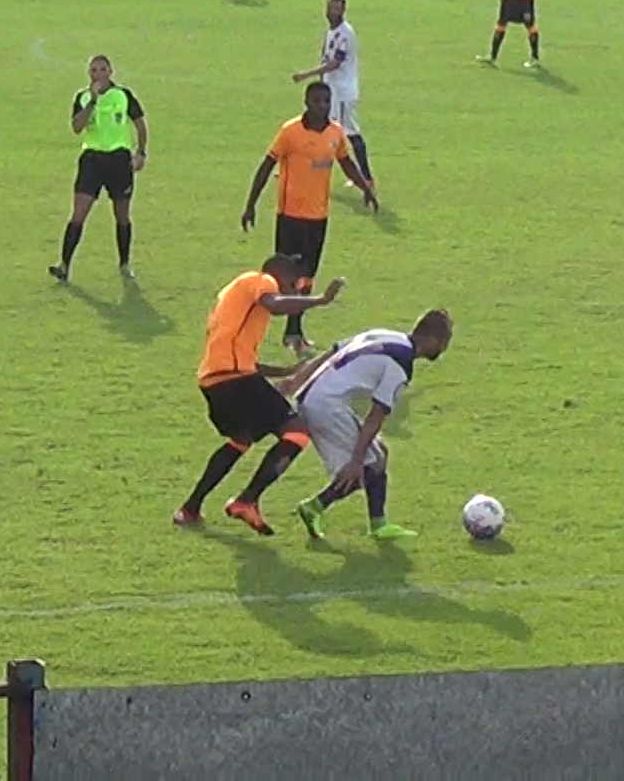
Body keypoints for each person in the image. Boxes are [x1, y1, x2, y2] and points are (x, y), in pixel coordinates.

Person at [175, 255, 347, 533]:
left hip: (216, 381)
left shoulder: (234, 298)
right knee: (297, 433)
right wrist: (319, 300)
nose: (292, 293)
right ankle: (247, 500)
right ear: (280, 275)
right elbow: (275, 304)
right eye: (293, 285)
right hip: (235, 379)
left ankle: (190, 508)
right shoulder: (261, 280)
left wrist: (284, 372)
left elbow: (240, 357)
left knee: (240, 440)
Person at [286, 310, 454, 541]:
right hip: (325, 405)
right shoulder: (401, 364)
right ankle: (319, 508)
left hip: (314, 394)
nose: (443, 350)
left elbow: (333, 351)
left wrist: (298, 380)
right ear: (436, 339)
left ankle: (376, 522)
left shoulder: (386, 335)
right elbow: (376, 415)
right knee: (368, 466)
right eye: (445, 343)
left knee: (378, 453)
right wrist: (356, 461)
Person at [241, 82, 378, 356]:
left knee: (308, 276)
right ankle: (269, 325)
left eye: (326, 101)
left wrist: (366, 188)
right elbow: (267, 165)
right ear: (307, 102)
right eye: (316, 101)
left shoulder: (335, 132)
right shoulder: (290, 132)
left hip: (318, 217)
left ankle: (295, 329)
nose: (322, 106)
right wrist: (251, 204)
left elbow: (345, 162)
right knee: (285, 276)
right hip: (290, 216)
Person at [51, 54, 148, 282]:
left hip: (118, 161)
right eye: (94, 70)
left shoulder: (123, 96)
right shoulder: (83, 98)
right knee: (78, 213)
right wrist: (93, 102)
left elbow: (140, 125)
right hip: (92, 160)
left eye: (102, 69)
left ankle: (124, 263)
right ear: (89, 74)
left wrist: (141, 152)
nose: (98, 74)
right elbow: (76, 127)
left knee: (122, 214)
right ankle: (64, 265)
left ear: (110, 72)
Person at [290, 0, 372, 185]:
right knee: (319, 125)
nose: (333, 11)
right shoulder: (331, 31)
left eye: (337, 8)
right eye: (330, 7)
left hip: (343, 92)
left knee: (348, 132)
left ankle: (366, 178)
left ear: (343, 10)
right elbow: (325, 59)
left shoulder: (345, 33)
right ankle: (307, 165)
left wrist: (305, 75)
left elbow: (335, 63)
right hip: (332, 90)